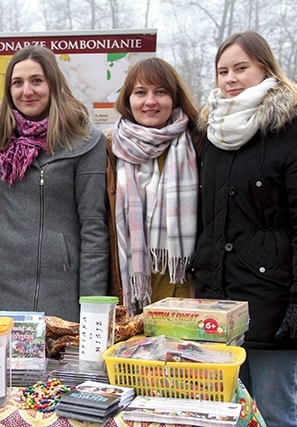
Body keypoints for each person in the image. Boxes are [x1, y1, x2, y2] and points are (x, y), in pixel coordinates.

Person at [190, 31, 297, 427]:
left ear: (265, 69)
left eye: (241, 68)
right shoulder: (214, 132)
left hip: (274, 298)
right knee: (230, 411)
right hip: (219, 303)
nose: (230, 78)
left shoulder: (295, 129)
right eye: (223, 71)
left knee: (274, 412)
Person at [0, 45, 109, 324]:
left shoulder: (85, 142)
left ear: (53, 84)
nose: (26, 91)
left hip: (57, 288)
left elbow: (94, 228)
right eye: (17, 83)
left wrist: (92, 310)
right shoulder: (2, 140)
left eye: (36, 81)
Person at [105, 58, 202, 316]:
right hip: (130, 292)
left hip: (185, 293)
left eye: (160, 91)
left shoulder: (198, 144)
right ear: (127, 100)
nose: (150, 101)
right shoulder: (109, 150)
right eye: (140, 92)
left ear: (174, 98)